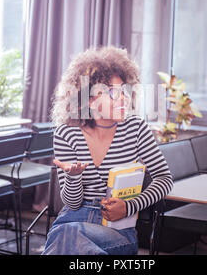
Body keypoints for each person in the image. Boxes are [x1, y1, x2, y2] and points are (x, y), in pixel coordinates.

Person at [42, 46, 173, 255]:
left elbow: (164, 180)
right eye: (113, 93)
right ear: (90, 99)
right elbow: (72, 203)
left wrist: (129, 206)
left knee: (67, 238)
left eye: (126, 92)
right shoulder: (66, 133)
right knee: (70, 235)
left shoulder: (136, 128)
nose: (124, 99)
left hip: (117, 228)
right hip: (74, 219)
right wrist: (74, 177)